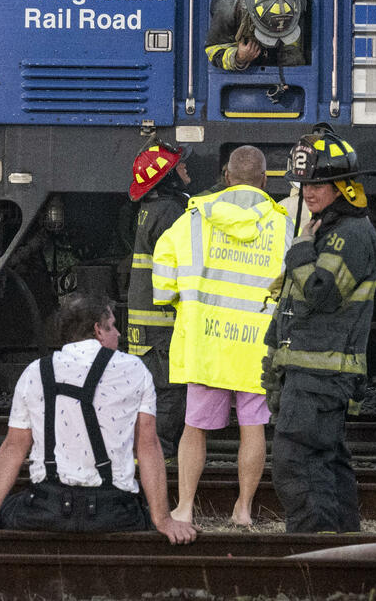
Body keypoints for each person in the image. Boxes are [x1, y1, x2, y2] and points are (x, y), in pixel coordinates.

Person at [0, 294, 195, 550]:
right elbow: (148, 446)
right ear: (98, 329)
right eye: (113, 325)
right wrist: (163, 520)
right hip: (114, 512)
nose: (118, 333)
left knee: (3, 512)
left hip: (45, 508)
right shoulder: (135, 369)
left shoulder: (35, 372)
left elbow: (14, 447)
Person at [151, 145, 289, 525]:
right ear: (264, 180)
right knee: (253, 427)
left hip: (205, 343)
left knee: (193, 428)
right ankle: (243, 509)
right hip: (256, 347)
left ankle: (183, 508)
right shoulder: (282, 224)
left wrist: (179, 297)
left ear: (226, 177)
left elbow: (162, 285)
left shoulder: (191, 219)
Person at [264, 124, 376, 532]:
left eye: (319, 184)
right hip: (312, 373)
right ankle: (342, 553)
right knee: (325, 463)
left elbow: (321, 293)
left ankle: (313, 556)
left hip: (321, 375)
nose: (309, 192)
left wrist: (298, 250)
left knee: (295, 463)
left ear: (345, 187)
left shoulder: (349, 234)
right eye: (304, 184)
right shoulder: (329, 229)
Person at [126, 138, 192, 458]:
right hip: (162, 324)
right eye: (179, 165)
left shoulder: (151, 209)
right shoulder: (170, 211)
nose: (185, 168)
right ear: (167, 177)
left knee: (152, 391)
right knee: (168, 392)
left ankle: (148, 452)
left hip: (147, 324)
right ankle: (158, 457)